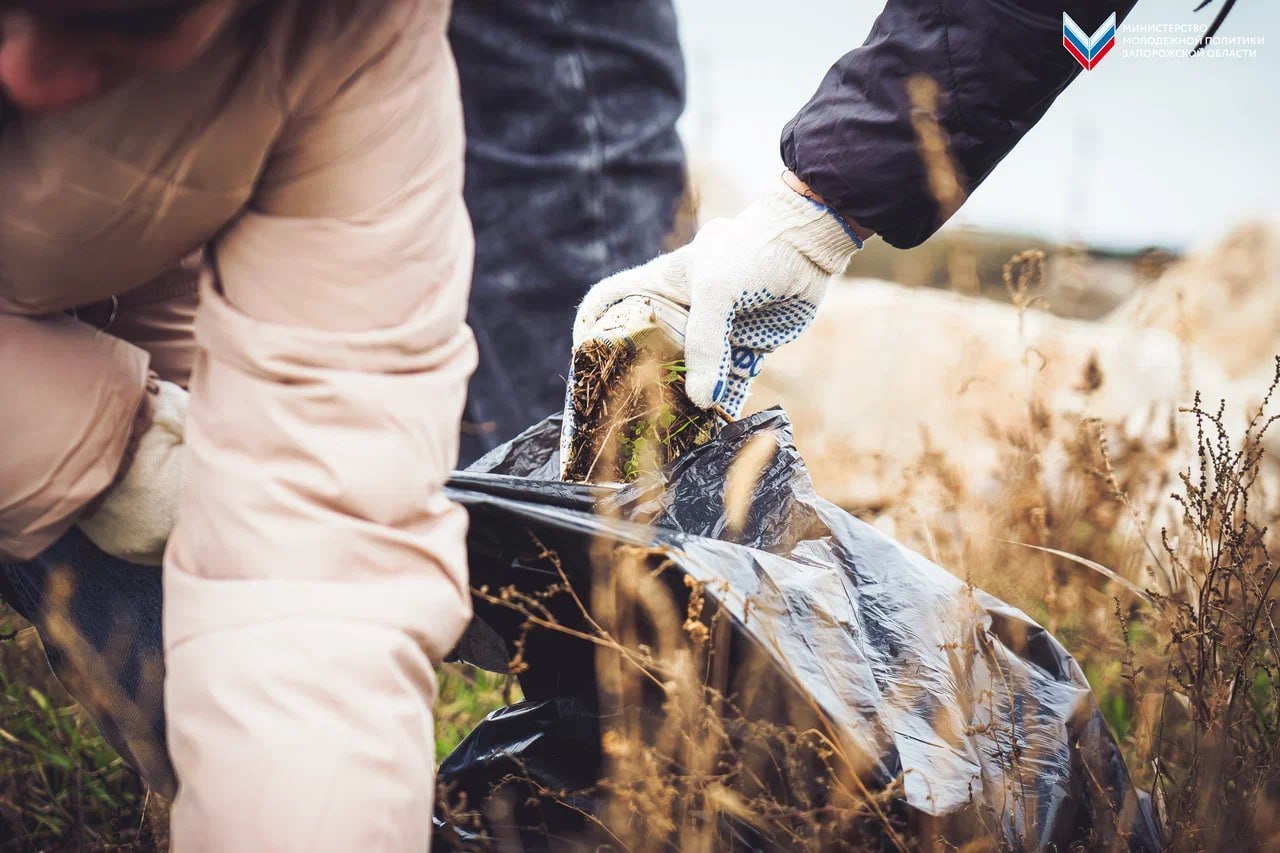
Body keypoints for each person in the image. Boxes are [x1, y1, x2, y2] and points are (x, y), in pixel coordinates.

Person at [0, 0, 1181, 847]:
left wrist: (821, 207)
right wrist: (94, 447)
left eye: (130, 28)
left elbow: (311, 570)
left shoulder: (352, 40)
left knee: (278, 607)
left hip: (140, 204)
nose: (41, 75)